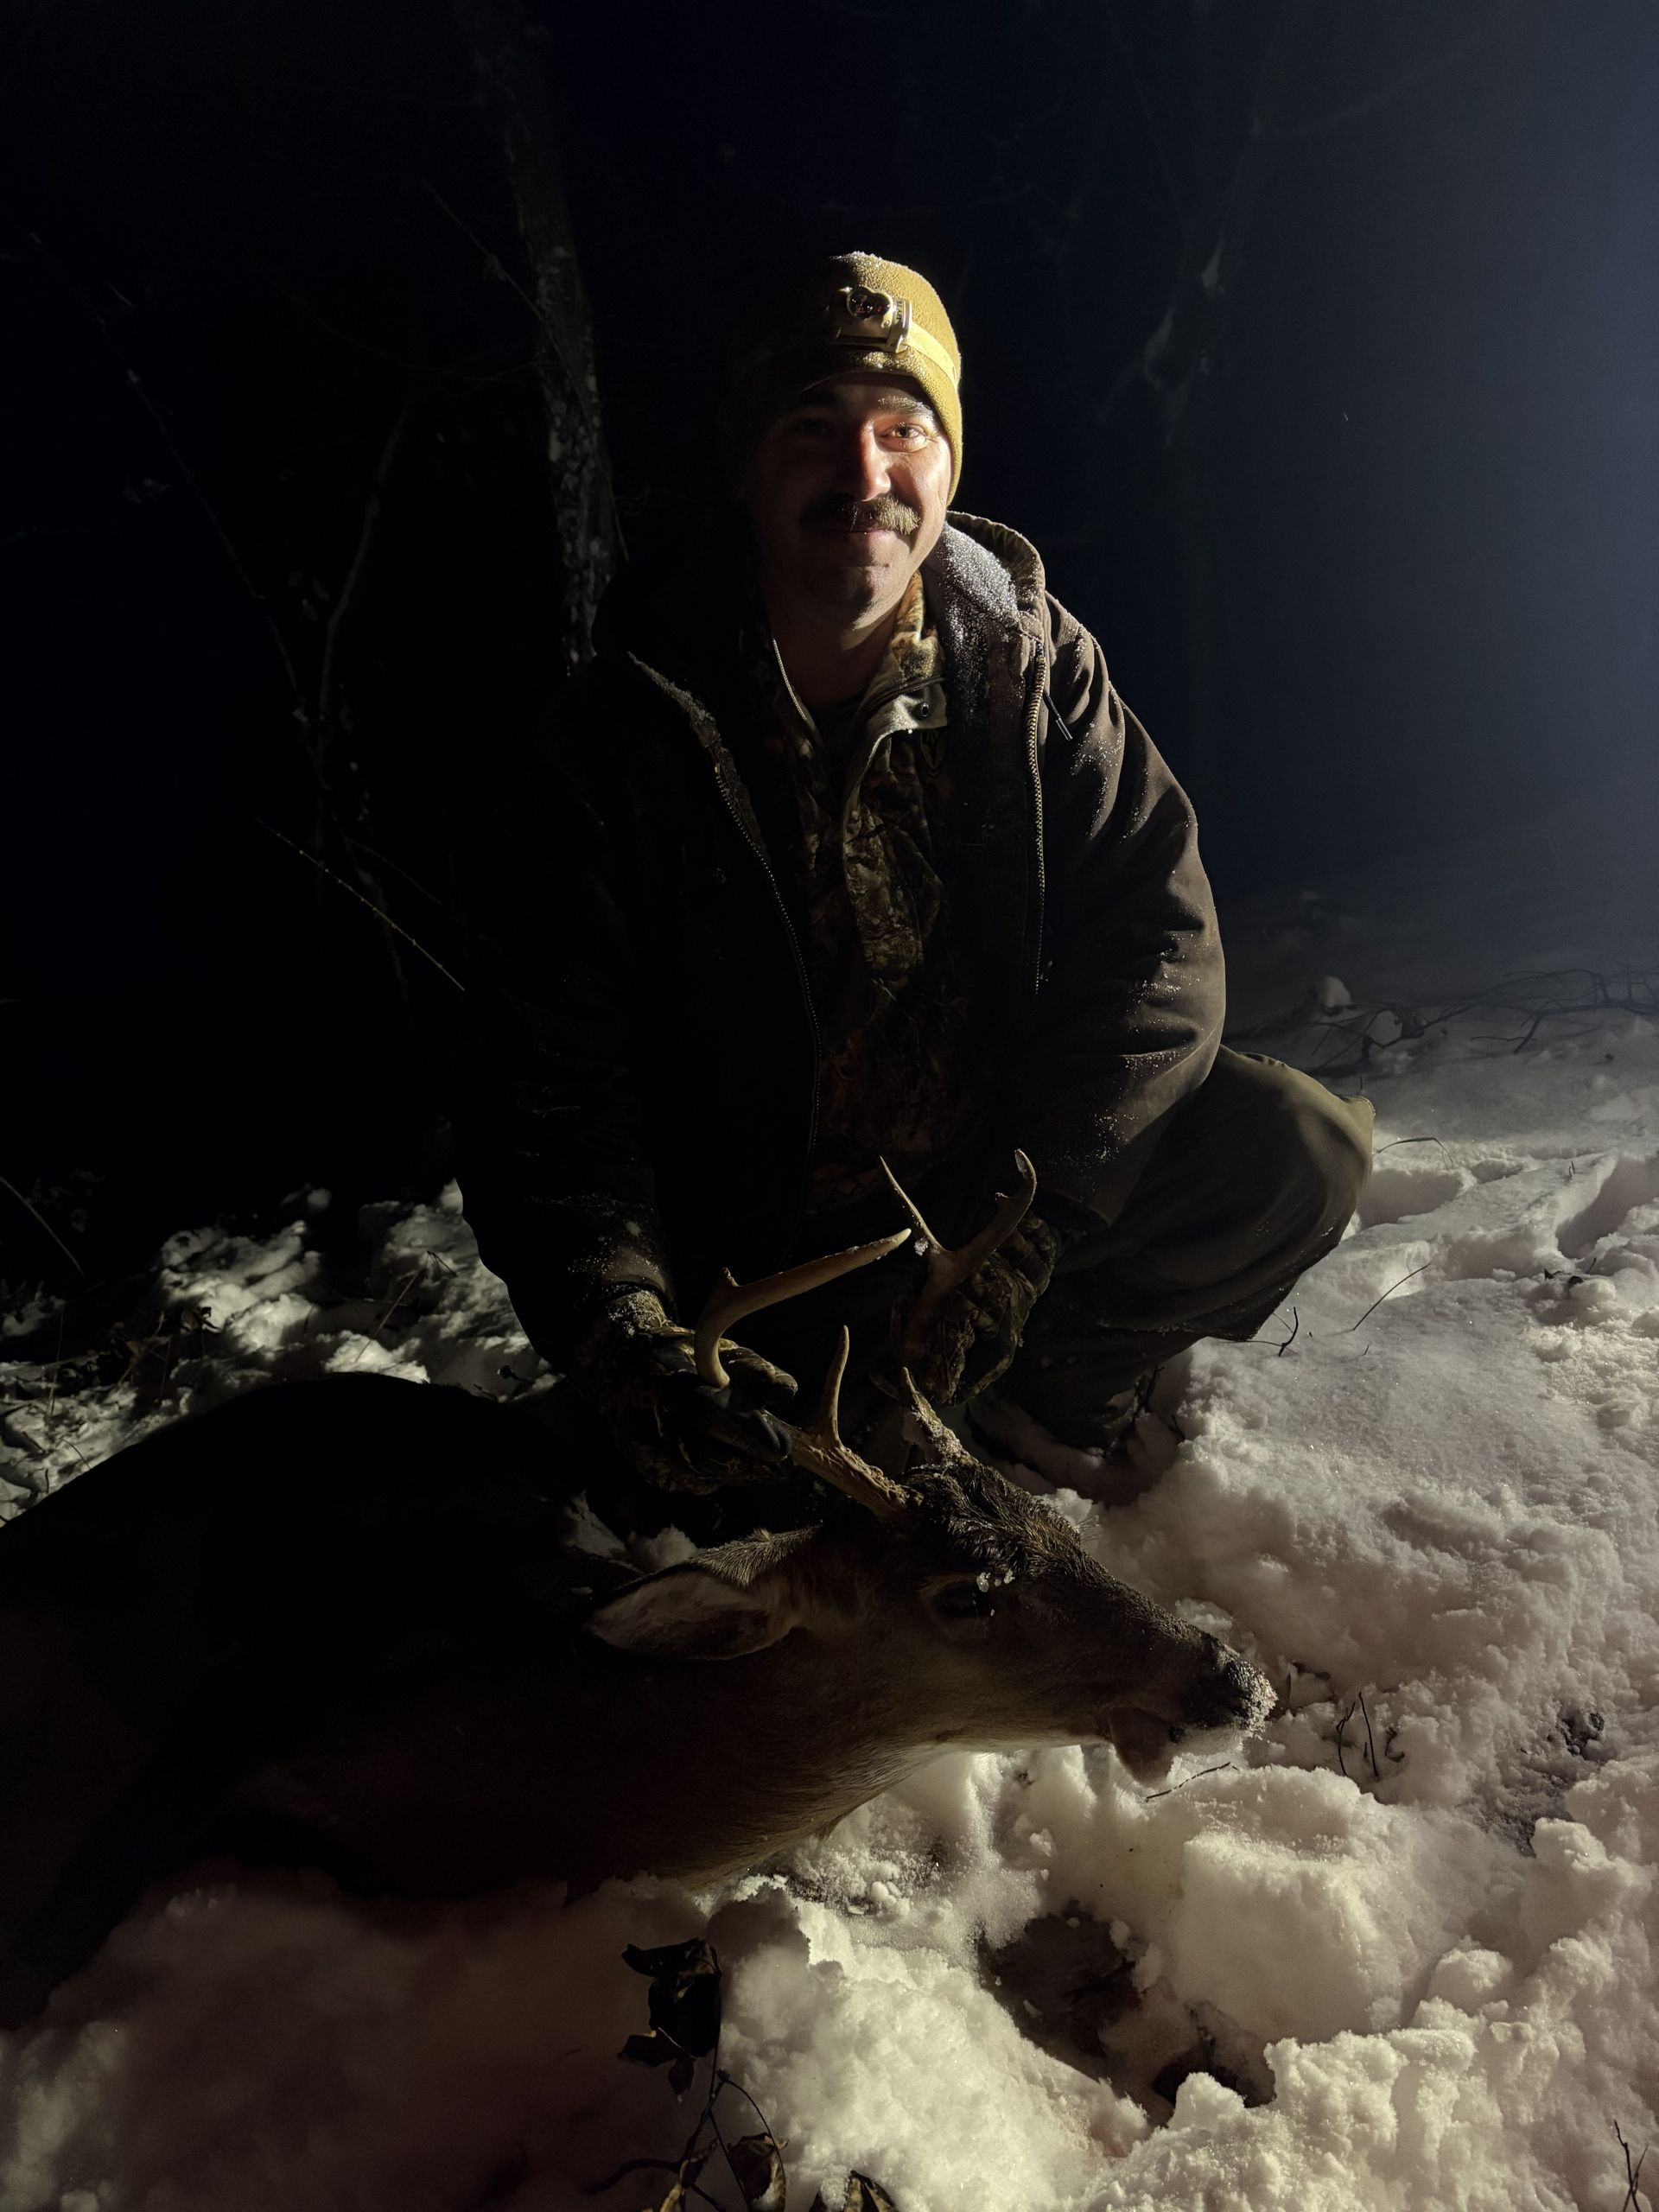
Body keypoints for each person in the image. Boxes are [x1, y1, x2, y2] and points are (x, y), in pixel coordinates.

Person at [454, 251, 1372, 1497]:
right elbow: (547, 1095)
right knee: (728, 1545)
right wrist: (625, 1328)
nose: (865, 475)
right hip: (759, 1276)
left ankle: (1041, 1399)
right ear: (745, 462)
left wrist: (1030, 1232)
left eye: (905, 431)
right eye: (813, 427)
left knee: (1291, 1150)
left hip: (977, 1217)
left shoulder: (1035, 674)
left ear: (948, 462)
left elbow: (1156, 954)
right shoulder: (614, 744)